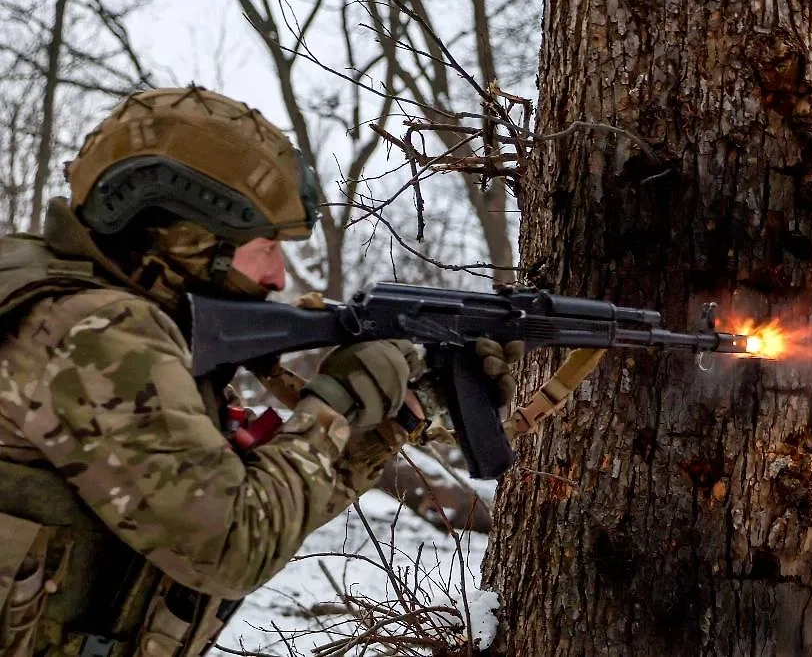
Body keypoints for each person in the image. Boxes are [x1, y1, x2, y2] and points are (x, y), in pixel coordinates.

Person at [0, 86, 521, 657]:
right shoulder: (97, 333)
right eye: (266, 246)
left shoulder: (54, 290)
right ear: (192, 235)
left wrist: (398, 415)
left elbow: (267, 508)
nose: (277, 277)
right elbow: (232, 546)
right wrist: (339, 400)